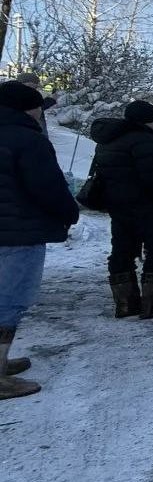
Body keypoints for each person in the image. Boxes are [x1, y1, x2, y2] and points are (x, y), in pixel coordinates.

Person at [0, 81, 79, 400]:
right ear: (27, 108)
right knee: (9, 300)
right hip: (18, 231)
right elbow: (47, 187)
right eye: (38, 107)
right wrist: (69, 211)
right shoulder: (27, 139)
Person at [89, 100, 153, 319]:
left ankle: (125, 303)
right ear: (147, 120)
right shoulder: (143, 140)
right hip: (146, 205)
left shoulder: (106, 141)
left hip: (117, 205)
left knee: (122, 250)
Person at [14, 72, 55, 137]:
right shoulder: (15, 96)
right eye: (32, 85)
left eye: (36, 86)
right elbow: (31, 109)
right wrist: (51, 100)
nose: (34, 88)